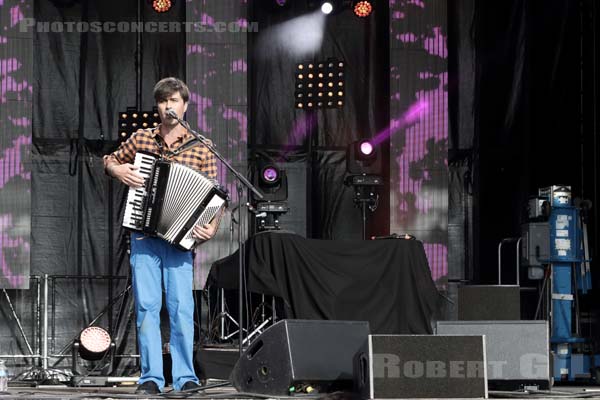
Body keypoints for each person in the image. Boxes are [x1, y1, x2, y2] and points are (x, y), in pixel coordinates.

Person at [104, 77, 221, 394]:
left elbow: (214, 196)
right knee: (147, 307)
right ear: (157, 107)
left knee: (182, 308)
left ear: (186, 104)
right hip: (143, 236)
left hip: (180, 241)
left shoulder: (202, 146)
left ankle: (185, 377)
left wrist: (212, 226)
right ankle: (151, 377)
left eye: (174, 100)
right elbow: (110, 159)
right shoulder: (142, 139)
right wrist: (119, 171)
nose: (169, 106)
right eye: (163, 101)